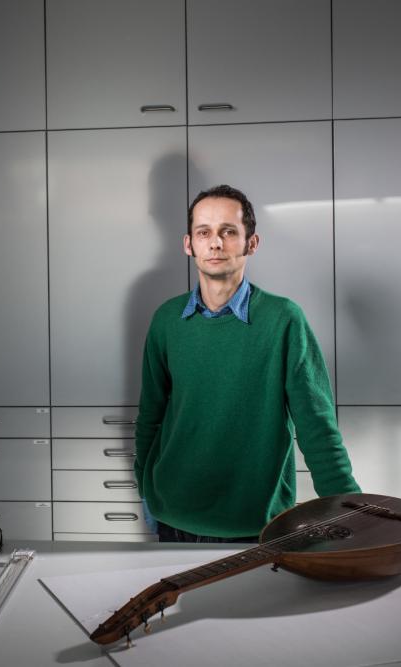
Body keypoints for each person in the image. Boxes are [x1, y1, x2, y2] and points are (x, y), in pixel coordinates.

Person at [135, 184, 360, 543]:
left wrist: (352, 508)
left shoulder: (283, 319)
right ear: (188, 244)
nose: (216, 243)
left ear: (251, 243)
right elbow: (151, 415)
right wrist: (145, 488)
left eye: (229, 232)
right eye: (204, 232)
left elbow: (317, 427)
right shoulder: (166, 320)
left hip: (257, 526)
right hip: (173, 517)